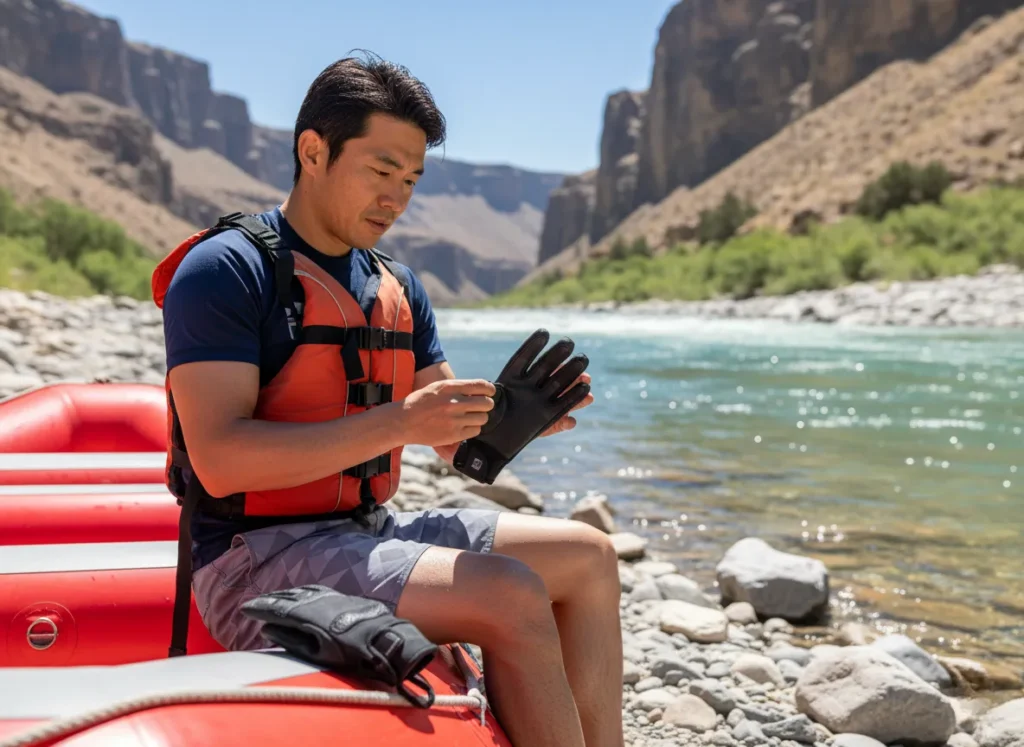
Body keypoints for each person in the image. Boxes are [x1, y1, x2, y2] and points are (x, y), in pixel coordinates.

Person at [157, 52, 624, 747]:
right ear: (313, 151)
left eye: (410, 179)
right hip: (252, 559)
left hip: (368, 529)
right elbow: (220, 462)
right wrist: (398, 422)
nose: (396, 198)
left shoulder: (397, 286)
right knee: (511, 591)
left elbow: (452, 441)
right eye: (381, 171)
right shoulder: (225, 270)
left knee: (589, 557)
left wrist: (509, 423)